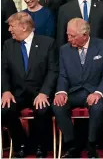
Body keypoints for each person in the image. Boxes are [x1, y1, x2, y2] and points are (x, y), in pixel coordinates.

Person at [52, 18, 103, 158]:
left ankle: (91, 145)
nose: (68, 38)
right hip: (73, 92)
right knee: (57, 106)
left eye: (72, 36)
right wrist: (61, 92)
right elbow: (62, 75)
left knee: (97, 107)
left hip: (94, 91)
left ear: (85, 35)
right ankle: (72, 145)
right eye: (68, 34)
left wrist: (98, 93)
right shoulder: (64, 50)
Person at [1, 12, 58, 158]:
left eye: (12, 26)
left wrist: (44, 92)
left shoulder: (47, 43)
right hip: (17, 93)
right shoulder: (8, 45)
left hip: (39, 92)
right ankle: (22, 144)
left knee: (42, 110)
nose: (9, 30)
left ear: (24, 27)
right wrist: (6, 91)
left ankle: (40, 145)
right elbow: (4, 70)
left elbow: (53, 71)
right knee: (5, 109)